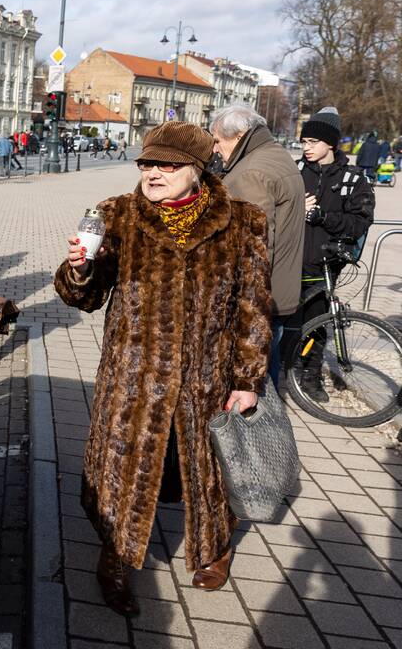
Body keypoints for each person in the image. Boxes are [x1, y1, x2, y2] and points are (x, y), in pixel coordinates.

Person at [54, 121, 272, 616]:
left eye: (168, 165)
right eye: (148, 163)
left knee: (208, 469)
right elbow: (82, 298)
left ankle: (214, 548)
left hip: (205, 379)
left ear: (197, 169)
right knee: (125, 472)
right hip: (134, 379)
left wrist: (247, 380)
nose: (154, 173)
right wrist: (80, 269)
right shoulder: (118, 215)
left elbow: (252, 308)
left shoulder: (243, 222)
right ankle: (115, 559)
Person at [211, 104, 306, 388]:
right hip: (281, 289)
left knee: (251, 381)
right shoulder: (276, 155)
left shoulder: (250, 173)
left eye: (217, 140)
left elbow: (256, 247)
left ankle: (254, 430)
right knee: (267, 367)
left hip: (259, 298)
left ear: (238, 135)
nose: (215, 149)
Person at [293, 107, 375, 400]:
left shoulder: (354, 179)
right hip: (289, 260)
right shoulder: (294, 172)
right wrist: (297, 210)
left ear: (331, 143)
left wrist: (323, 217)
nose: (307, 147)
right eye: (304, 142)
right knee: (285, 321)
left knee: (316, 322)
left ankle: (311, 376)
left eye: (313, 141)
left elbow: (361, 221)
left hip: (324, 264)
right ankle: (280, 370)